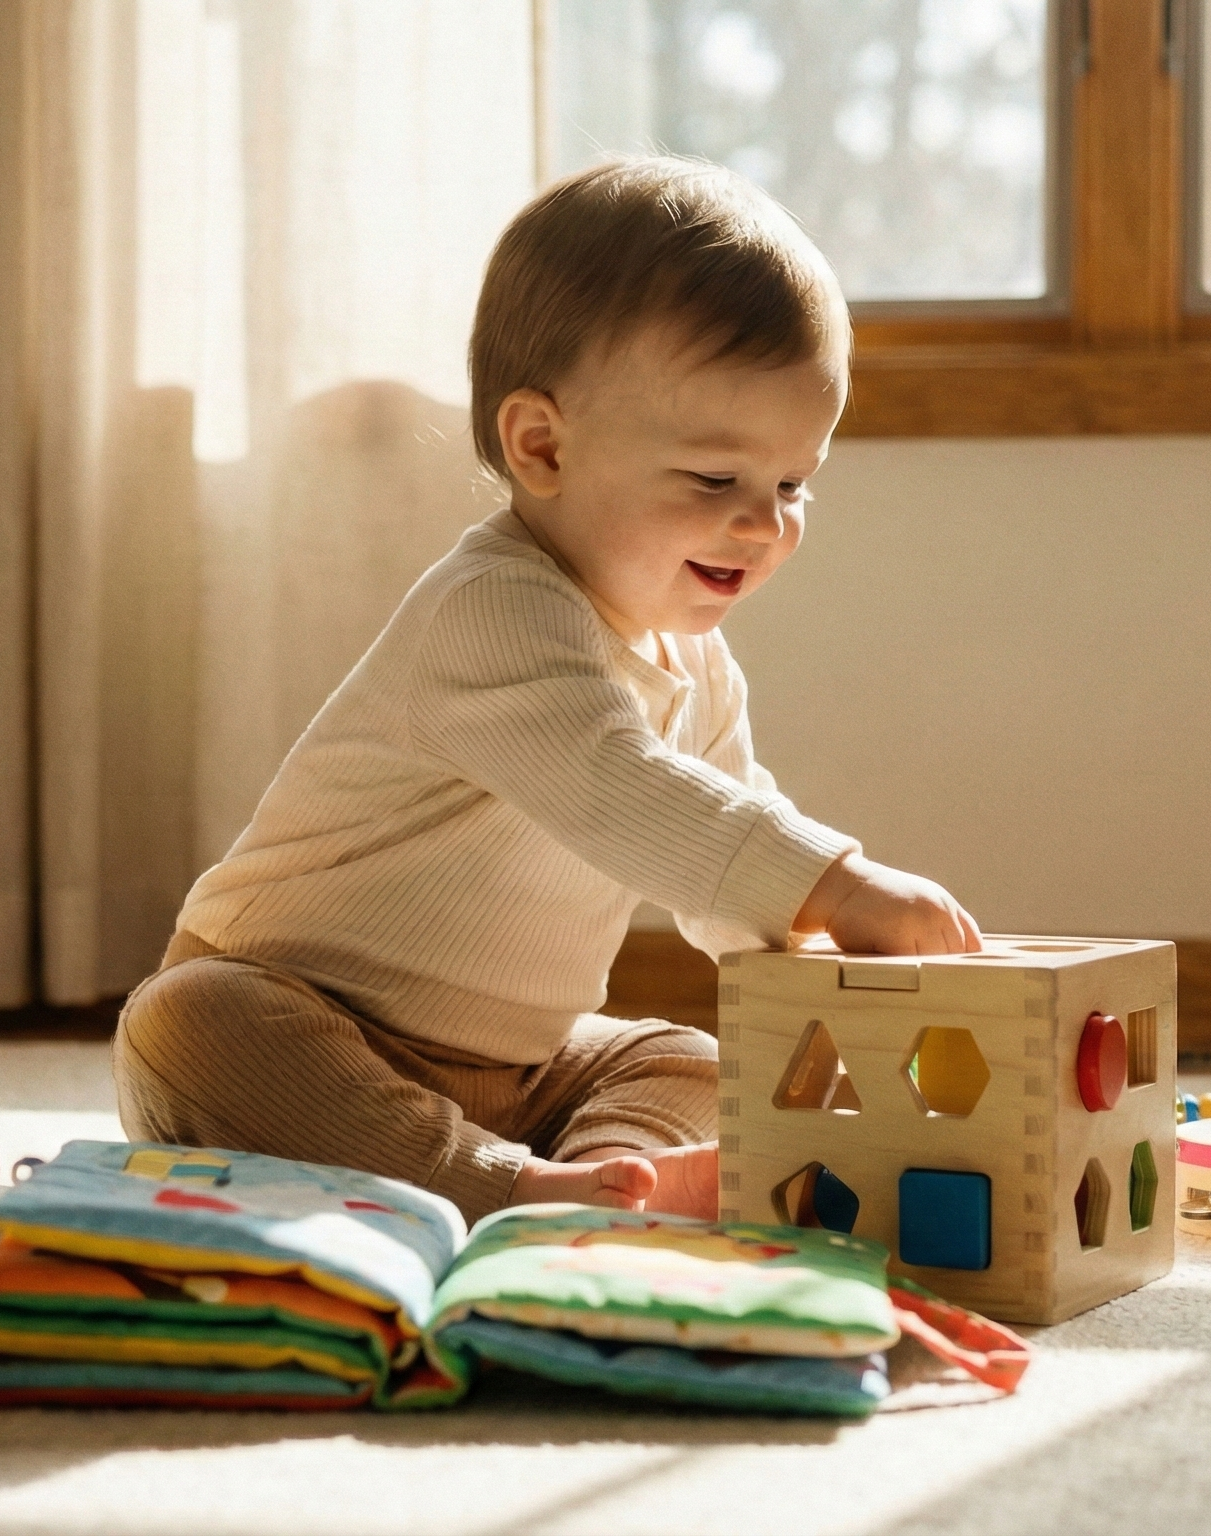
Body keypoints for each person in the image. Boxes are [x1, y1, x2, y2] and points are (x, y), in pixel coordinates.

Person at [114, 156, 982, 1223]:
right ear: (541, 447)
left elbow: (724, 877)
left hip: (514, 1070)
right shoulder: (491, 610)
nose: (761, 524)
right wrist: (838, 882)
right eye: (714, 480)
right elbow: (619, 788)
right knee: (191, 1019)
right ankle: (506, 1189)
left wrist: (847, 1019)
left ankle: (614, 1179)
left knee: (681, 1059)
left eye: (791, 484)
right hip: (298, 1015)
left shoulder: (694, 665)